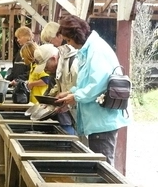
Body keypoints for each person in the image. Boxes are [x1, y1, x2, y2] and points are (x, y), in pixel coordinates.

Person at [56, 15, 130, 165]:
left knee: (103, 166)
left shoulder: (97, 50)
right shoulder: (90, 50)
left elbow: (98, 84)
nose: (69, 44)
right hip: (97, 119)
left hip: (102, 118)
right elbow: (87, 82)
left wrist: (75, 96)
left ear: (77, 36)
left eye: (69, 40)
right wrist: (71, 92)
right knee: (99, 163)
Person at [34, 43, 78, 135]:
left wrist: (68, 98)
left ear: (54, 59)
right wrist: (50, 99)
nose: (45, 70)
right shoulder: (60, 65)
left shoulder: (73, 64)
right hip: (75, 115)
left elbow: (81, 89)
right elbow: (59, 85)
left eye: (45, 67)